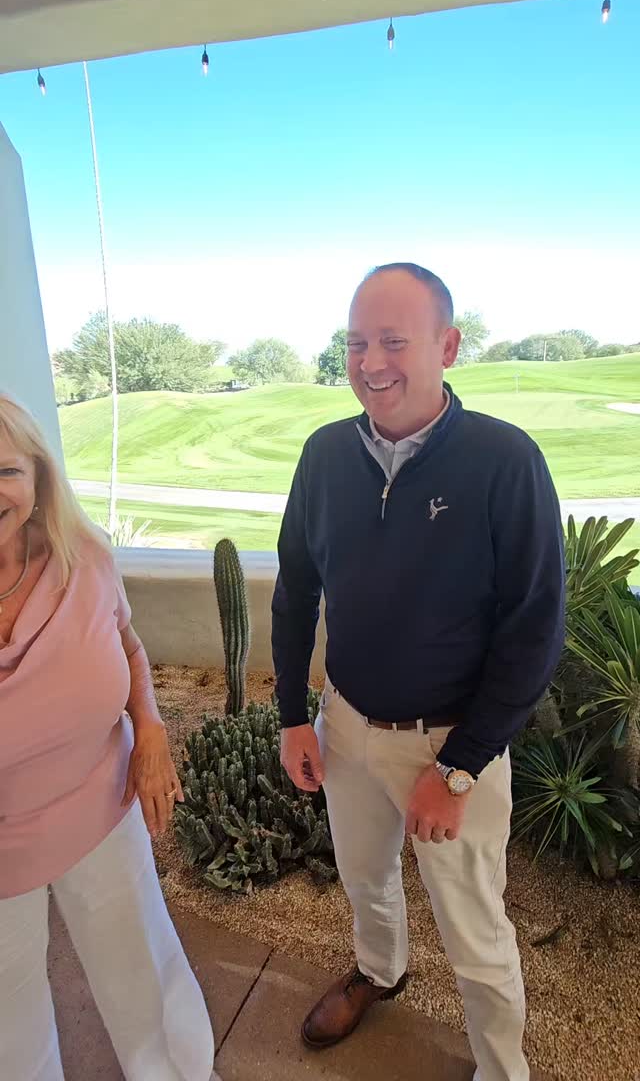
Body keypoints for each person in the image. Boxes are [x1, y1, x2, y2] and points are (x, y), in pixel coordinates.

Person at [272, 263, 565, 1081]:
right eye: (357, 342)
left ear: (447, 346)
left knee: (474, 931)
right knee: (365, 877)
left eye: (393, 341)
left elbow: (535, 629)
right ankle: (379, 971)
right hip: (347, 725)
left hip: (449, 747)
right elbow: (297, 589)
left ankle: (501, 1071)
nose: (371, 362)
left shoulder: (505, 461)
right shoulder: (325, 453)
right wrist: (296, 714)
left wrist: (461, 766)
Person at [0, 394, 221, 1081]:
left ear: (37, 479)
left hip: (101, 804)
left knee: (144, 972)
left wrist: (149, 729)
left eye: (4, 470)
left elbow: (125, 644)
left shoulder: (83, 557)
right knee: (7, 1018)